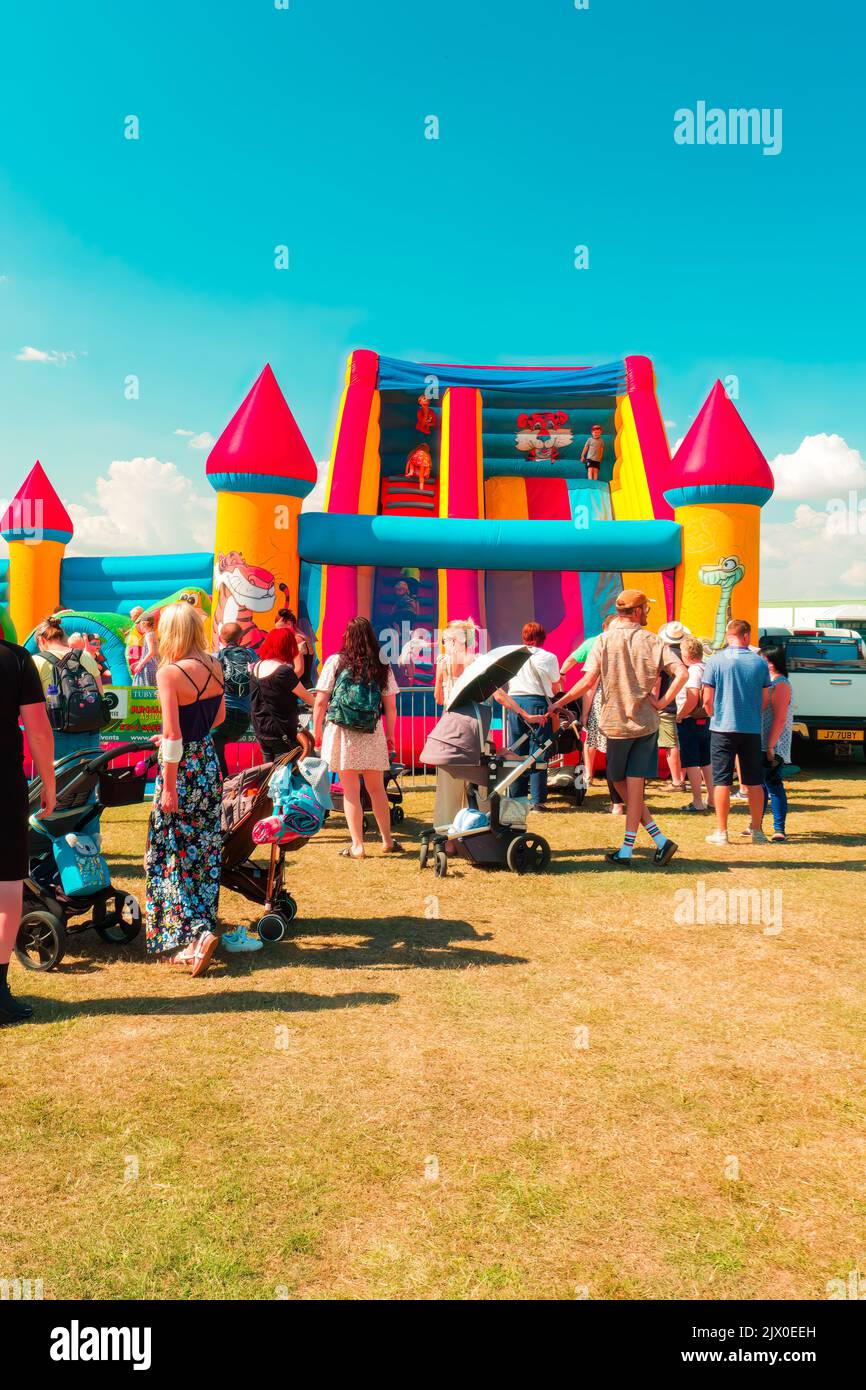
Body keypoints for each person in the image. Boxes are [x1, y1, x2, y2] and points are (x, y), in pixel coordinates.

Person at [553, 589, 687, 865]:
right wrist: (662, 702)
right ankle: (658, 841)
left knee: (618, 781)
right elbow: (682, 673)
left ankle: (631, 849)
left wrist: (561, 701)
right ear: (638, 612)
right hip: (646, 723)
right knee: (634, 786)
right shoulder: (653, 641)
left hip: (615, 723)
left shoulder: (602, 640)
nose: (647, 613)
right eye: (646, 609)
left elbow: (588, 681)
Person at [144, 603, 226, 977]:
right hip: (208, 764)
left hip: (181, 770)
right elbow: (220, 717)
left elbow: (174, 735)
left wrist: (170, 787)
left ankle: (193, 936)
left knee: (168, 851)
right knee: (204, 850)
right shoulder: (214, 664)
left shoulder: (169, 673)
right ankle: (204, 924)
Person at [0, 638, 56, 1025]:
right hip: (3, 784)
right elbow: (38, 731)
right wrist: (49, 783)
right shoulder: (16, 659)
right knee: (6, 886)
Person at [313, 616, 400, 858]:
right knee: (377, 790)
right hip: (372, 733)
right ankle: (387, 840)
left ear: (347, 637)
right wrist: (390, 735)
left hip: (342, 732)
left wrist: (317, 731)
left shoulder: (336, 662)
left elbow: (321, 701)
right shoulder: (382, 665)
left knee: (350, 791)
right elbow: (390, 707)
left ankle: (358, 846)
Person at [702, 619, 772, 848]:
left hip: (722, 727)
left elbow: (707, 699)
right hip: (750, 728)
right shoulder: (760, 663)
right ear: (747, 636)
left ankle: (722, 832)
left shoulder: (715, 660)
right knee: (753, 780)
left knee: (721, 780)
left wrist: (714, 714)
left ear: (728, 635)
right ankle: (758, 830)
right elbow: (764, 700)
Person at [503, 622, 561, 810]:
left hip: (515, 704)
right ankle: (538, 801)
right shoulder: (549, 657)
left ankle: (517, 797)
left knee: (516, 752)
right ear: (541, 638)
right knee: (538, 751)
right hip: (537, 704)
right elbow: (555, 686)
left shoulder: (512, 655)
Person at [561, 614, 618, 804]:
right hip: (612, 699)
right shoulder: (616, 643)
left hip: (598, 698)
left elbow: (573, 663)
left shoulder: (594, 642)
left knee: (591, 738)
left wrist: (561, 676)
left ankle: (589, 775)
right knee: (605, 740)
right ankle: (606, 781)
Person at [433, 619, 479, 828]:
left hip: (450, 724)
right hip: (475, 723)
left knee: (448, 782)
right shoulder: (476, 660)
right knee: (480, 780)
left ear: (453, 640)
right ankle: (479, 826)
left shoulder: (443, 662)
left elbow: (439, 698)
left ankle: (447, 830)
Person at [250, 628, 316, 762]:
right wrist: (323, 705)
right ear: (288, 647)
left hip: (261, 729)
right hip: (281, 731)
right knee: (284, 777)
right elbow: (306, 697)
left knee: (268, 774)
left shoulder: (256, 667)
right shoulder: (283, 671)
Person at [675, 637, 714, 812]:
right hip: (705, 718)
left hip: (690, 719)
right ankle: (711, 798)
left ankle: (697, 801)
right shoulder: (707, 667)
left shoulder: (693, 671)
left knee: (691, 761)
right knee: (706, 760)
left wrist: (681, 714)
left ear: (687, 654)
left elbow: (692, 696)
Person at [760, 644, 794, 842]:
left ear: (771, 663)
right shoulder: (770, 682)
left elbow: (780, 718)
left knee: (773, 784)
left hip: (774, 744)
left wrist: (771, 746)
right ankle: (756, 824)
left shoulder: (780, 684)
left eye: (762, 660)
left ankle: (779, 828)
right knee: (761, 785)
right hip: (764, 742)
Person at [214, 621, 256, 778]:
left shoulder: (216, 657)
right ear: (241, 638)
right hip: (244, 720)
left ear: (220, 638)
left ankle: (224, 783)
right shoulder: (251, 655)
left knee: (212, 745)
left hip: (223, 717)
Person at [655, 621, 689, 791]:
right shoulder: (686, 655)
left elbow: (657, 682)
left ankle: (677, 781)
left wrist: (656, 703)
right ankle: (681, 776)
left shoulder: (665, 656)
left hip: (667, 706)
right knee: (680, 743)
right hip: (685, 705)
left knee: (670, 744)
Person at [131, 615, 159, 686]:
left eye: (140, 623)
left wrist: (140, 665)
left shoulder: (148, 635)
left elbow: (151, 652)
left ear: (143, 623)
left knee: (141, 685)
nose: (139, 626)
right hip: (154, 665)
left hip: (148, 666)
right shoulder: (153, 634)